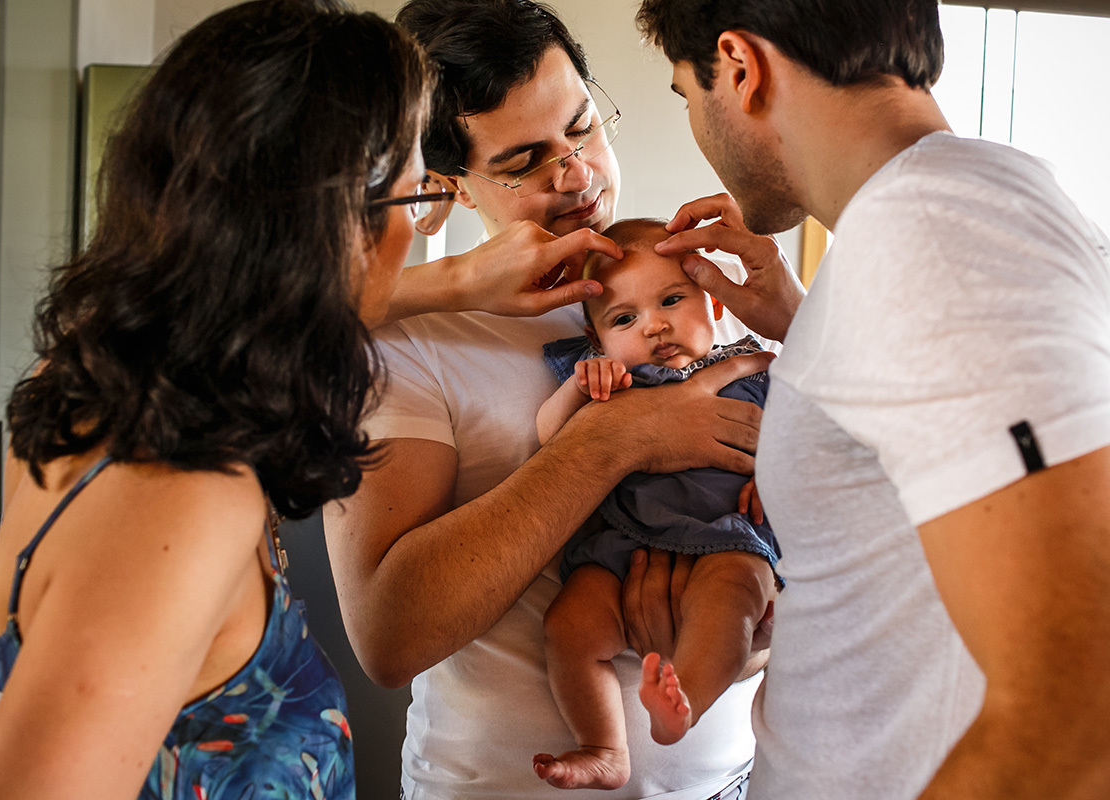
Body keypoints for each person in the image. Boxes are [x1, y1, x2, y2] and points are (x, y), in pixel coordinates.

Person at [0, 2, 451, 798]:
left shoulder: (80, 381)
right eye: (416, 197)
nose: (421, 231)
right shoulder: (183, 495)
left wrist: (472, 284)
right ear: (327, 229)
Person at [321, 1, 800, 798]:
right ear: (450, 186)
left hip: (731, 783)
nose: (576, 172)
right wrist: (618, 438)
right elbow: (388, 636)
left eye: (582, 127)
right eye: (524, 160)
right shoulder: (408, 337)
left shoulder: (704, 291)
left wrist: (767, 601)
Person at [634, 1, 1110, 798]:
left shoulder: (930, 231)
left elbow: (1080, 692)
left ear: (740, 68)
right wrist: (801, 316)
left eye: (687, 95)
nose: (696, 126)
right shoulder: (962, 212)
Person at [532, 218, 780, 790]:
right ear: (597, 342)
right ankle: (602, 744)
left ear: (714, 306)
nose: (656, 325)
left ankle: (685, 698)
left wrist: (778, 474)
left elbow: (806, 443)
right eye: (625, 319)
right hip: (624, 540)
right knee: (569, 625)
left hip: (729, 534)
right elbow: (551, 438)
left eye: (672, 299)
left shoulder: (754, 365)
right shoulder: (608, 381)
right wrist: (578, 385)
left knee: (736, 599)